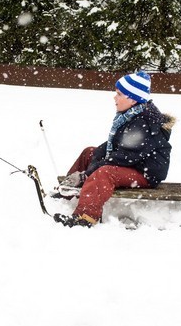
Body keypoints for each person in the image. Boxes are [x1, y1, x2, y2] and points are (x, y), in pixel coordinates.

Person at [54, 71, 174, 227]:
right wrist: (94, 160)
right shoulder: (131, 115)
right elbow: (115, 145)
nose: (114, 97)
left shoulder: (145, 122)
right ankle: (66, 191)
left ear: (132, 99)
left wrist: (87, 174)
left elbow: (124, 156)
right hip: (132, 164)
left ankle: (85, 216)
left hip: (145, 173)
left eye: (119, 94)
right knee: (89, 152)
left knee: (105, 173)